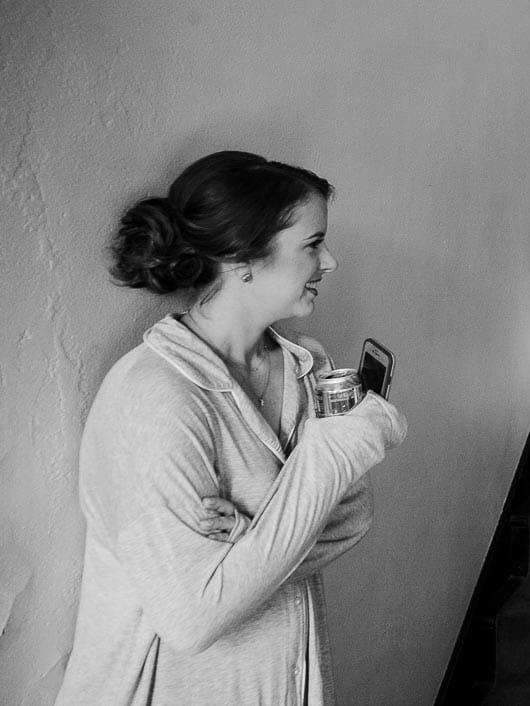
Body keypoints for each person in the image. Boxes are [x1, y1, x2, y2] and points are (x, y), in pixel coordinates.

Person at [55, 150, 407, 705]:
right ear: (244, 258)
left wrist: (250, 541)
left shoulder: (302, 365)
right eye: (313, 244)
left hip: (288, 682)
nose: (331, 261)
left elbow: (353, 516)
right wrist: (332, 451)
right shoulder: (155, 397)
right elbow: (192, 618)